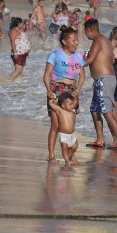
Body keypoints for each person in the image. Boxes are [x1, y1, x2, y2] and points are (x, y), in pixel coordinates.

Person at [43, 26, 85, 163]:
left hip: (72, 91)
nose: (76, 43)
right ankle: (51, 155)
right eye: (73, 40)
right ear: (64, 41)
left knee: (70, 123)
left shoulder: (79, 56)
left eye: (77, 40)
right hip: (56, 89)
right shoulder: (55, 55)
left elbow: (82, 76)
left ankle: (69, 154)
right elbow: (46, 75)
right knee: (55, 125)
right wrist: (49, 90)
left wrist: (77, 90)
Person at [83, 19, 117, 149]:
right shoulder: (105, 40)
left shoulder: (97, 41)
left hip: (103, 80)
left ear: (89, 30)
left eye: (85, 32)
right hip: (105, 79)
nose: (85, 35)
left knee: (106, 111)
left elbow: (90, 60)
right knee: (94, 110)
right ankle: (100, 139)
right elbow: (112, 60)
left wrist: (75, 61)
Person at [48, 92, 79, 166]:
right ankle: (67, 160)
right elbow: (51, 104)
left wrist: (75, 96)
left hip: (72, 134)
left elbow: (75, 103)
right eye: (70, 104)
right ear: (63, 105)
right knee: (64, 148)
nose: (72, 106)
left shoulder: (72, 111)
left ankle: (69, 156)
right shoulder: (60, 111)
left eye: (72, 104)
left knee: (75, 146)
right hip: (64, 135)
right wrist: (51, 98)